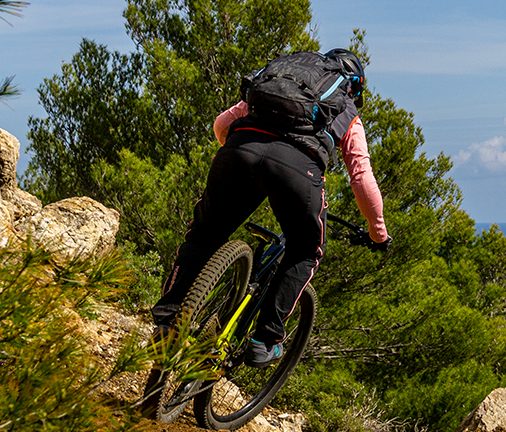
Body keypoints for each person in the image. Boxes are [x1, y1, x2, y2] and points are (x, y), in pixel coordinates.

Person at [147, 48, 390, 376]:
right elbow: (360, 176)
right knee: (305, 251)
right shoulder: (345, 109)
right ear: (353, 86)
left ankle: (167, 320)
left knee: (204, 235)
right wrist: (378, 232)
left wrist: (239, 154)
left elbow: (222, 124)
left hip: (238, 151)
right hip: (296, 172)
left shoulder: (281, 82)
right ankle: (265, 339)